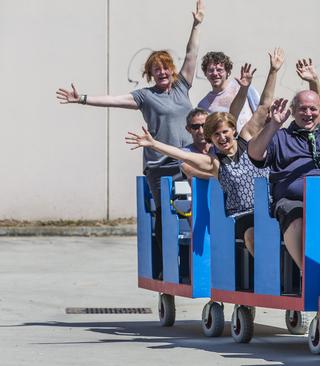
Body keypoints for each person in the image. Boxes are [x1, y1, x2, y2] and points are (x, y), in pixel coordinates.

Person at [56, 0, 205, 277]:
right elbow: (113, 99)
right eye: (156, 69)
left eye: (165, 67)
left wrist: (196, 25)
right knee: (166, 214)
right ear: (150, 74)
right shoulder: (144, 96)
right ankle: (165, 268)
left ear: (172, 70)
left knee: (198, 209)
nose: (162, 72)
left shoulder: (183, 86)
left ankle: (195, 263)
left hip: (187, 162)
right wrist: (83, 99)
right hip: (160, 166)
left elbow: (191, 54)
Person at [126, 49, 285, 257]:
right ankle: (267, 278)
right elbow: (182, 155)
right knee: (254, 236)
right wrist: (154, 144)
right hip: (243, 216)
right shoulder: (215, 162)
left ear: (234, 130)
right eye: (216, 135)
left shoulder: (247, 140)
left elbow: (263, 107)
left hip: (270, 209)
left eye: (225, 132)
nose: (222, 138)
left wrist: (273, 71)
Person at [247, 89, 320, 272]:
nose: (308, 114)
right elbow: (254, 153)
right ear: (292, 111)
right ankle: (307, 274)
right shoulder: (280, 136)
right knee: (296, 216)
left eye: (313, 109)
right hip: (293, 201)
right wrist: (273, 125)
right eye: (302, 109)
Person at [198, 51, 260, 132]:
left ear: (228, 72)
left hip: (253, 140)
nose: (215, 73)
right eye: (211, 70)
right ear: (205, 73)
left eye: (219, 70)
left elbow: (260, 111)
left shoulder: (242, 87)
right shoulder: (203, 105)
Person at [181, 108, 213, 181]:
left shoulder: (219, 148)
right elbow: (190, 171)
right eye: (196, 127)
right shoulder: (185, 152)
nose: (201, 131)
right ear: (188, 129)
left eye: (205, 126)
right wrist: (219, 175)